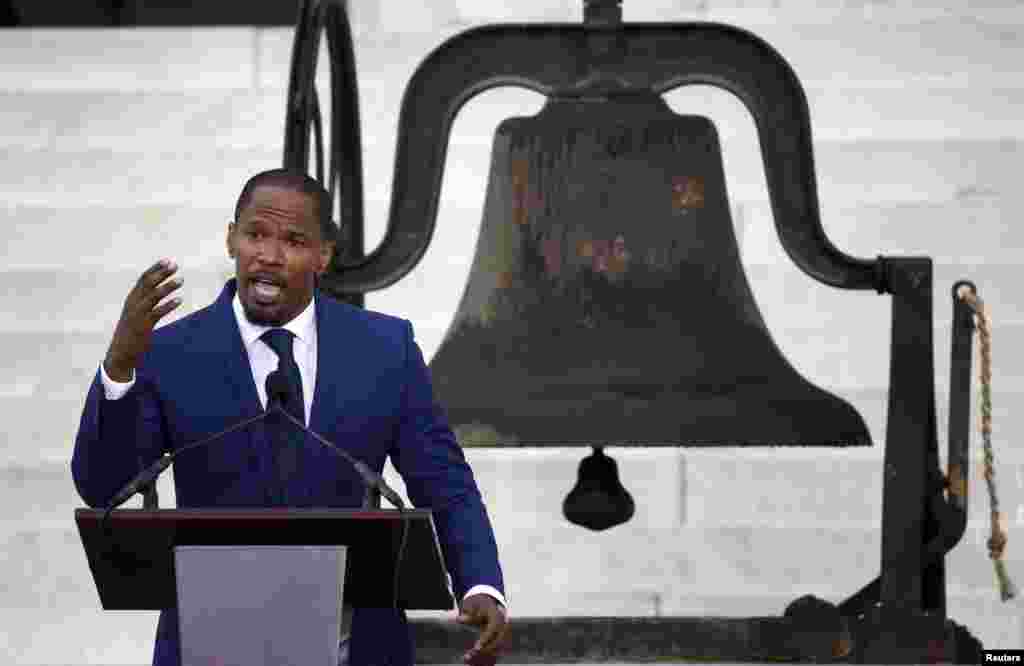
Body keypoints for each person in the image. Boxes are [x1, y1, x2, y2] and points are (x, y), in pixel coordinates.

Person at [71, 169, 508, 666]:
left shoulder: (385, 350)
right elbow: (102, 485)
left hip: (356, 648)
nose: (269, 255)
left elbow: (444, 482)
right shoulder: (170, 352)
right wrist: (119, 368)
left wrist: (480, 583)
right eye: (256, 234)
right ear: (231, 237)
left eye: (294, 240)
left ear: (324, 256)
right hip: (208, 647)